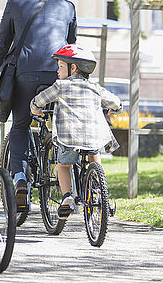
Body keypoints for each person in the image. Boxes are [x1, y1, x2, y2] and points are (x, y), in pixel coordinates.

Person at [0, 0, 77, 207]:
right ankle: (65, 173)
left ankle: (20, 178)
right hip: (57, 73)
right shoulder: (67, 6)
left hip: (25, 74)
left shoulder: (15, 3)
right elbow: (71, 46)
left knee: (21, 125)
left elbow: (3, 43)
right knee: (61, 124)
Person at [30, 44, 122, 219]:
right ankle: (101, 192)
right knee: (94, 155)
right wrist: (114, 110)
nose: (57, 71)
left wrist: (35, 109)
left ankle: (67, 198)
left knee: (63, 165)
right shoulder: (95, 88)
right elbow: (116, 103)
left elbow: (39, 101)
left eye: (60, 66)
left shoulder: (60, 86)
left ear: (73, 68)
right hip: (94, 135)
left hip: (69, 136)